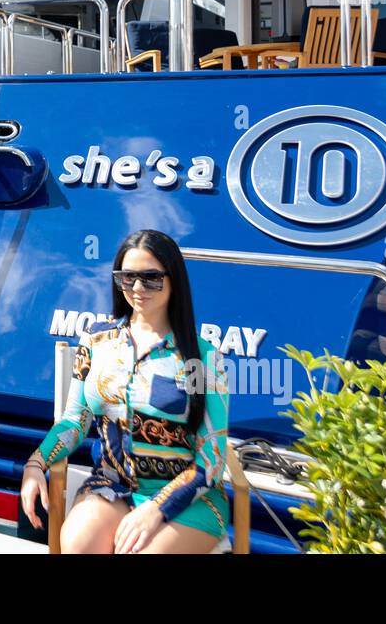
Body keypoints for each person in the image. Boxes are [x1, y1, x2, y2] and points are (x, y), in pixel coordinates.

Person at [20, 229, 229, 553]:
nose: (138, 288)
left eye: (151, 278)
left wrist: (156, 509)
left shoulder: (205, 358)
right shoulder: (95, 340)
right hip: (114, 485)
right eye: (127, 278)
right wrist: (36, 464)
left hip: (190, 498)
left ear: (174, 280)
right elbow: (75, 420)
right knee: (78, 543)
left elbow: (211, 461)